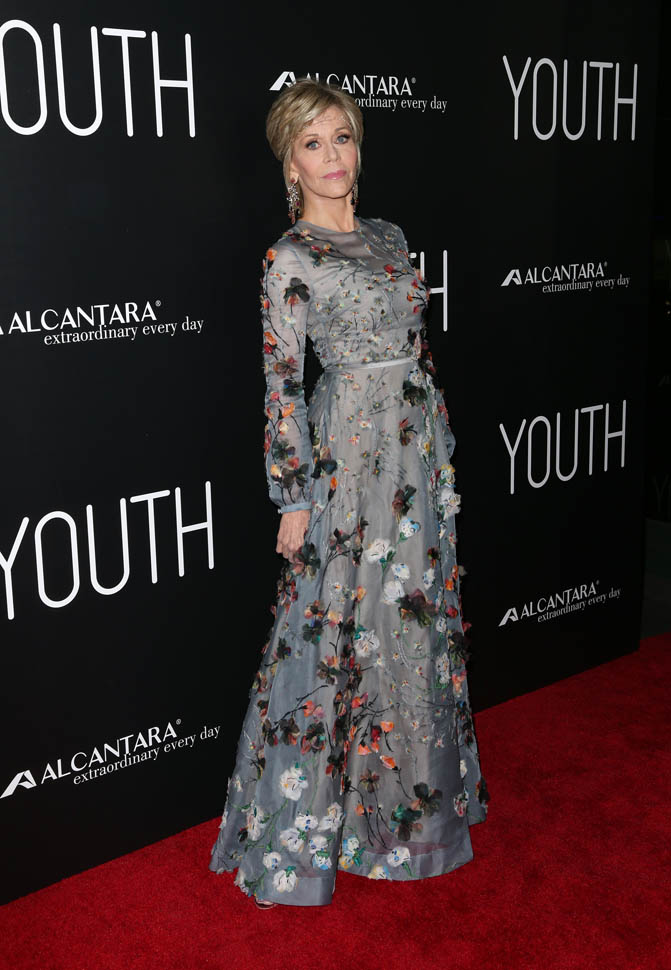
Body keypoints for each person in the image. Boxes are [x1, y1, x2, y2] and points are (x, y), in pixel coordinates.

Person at [208, 78, 489, 909]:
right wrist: (293, 496)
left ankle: (408, 815)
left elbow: (417, 348)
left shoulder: (389, 235)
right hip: (348, 458)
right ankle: (301, 830)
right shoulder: (290, 257)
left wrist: (436, 448)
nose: (332, 155)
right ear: (289, 163)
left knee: (411, 623)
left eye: (342, 137)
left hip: (412, 455)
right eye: (313, 143)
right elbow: (282, 384)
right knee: (332, 624)